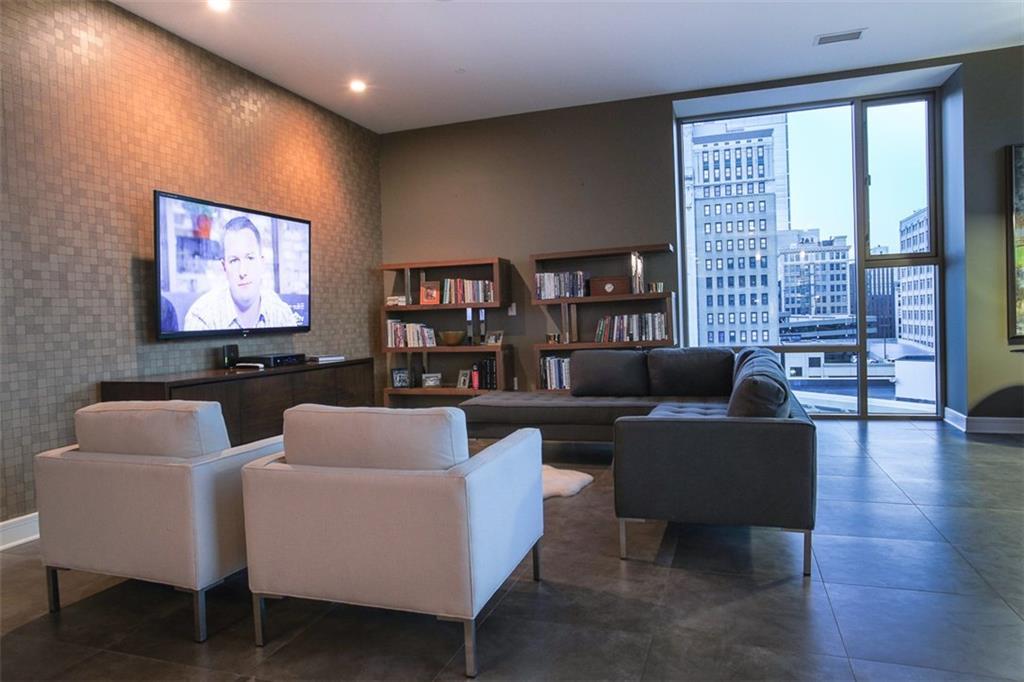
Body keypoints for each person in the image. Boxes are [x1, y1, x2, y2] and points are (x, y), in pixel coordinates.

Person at [183, 216, 299, 331]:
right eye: (234, 260)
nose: (243, 272)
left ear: (262, 263)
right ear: (224, 267)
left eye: (250, 258)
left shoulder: (282, 313)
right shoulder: (201, 317)